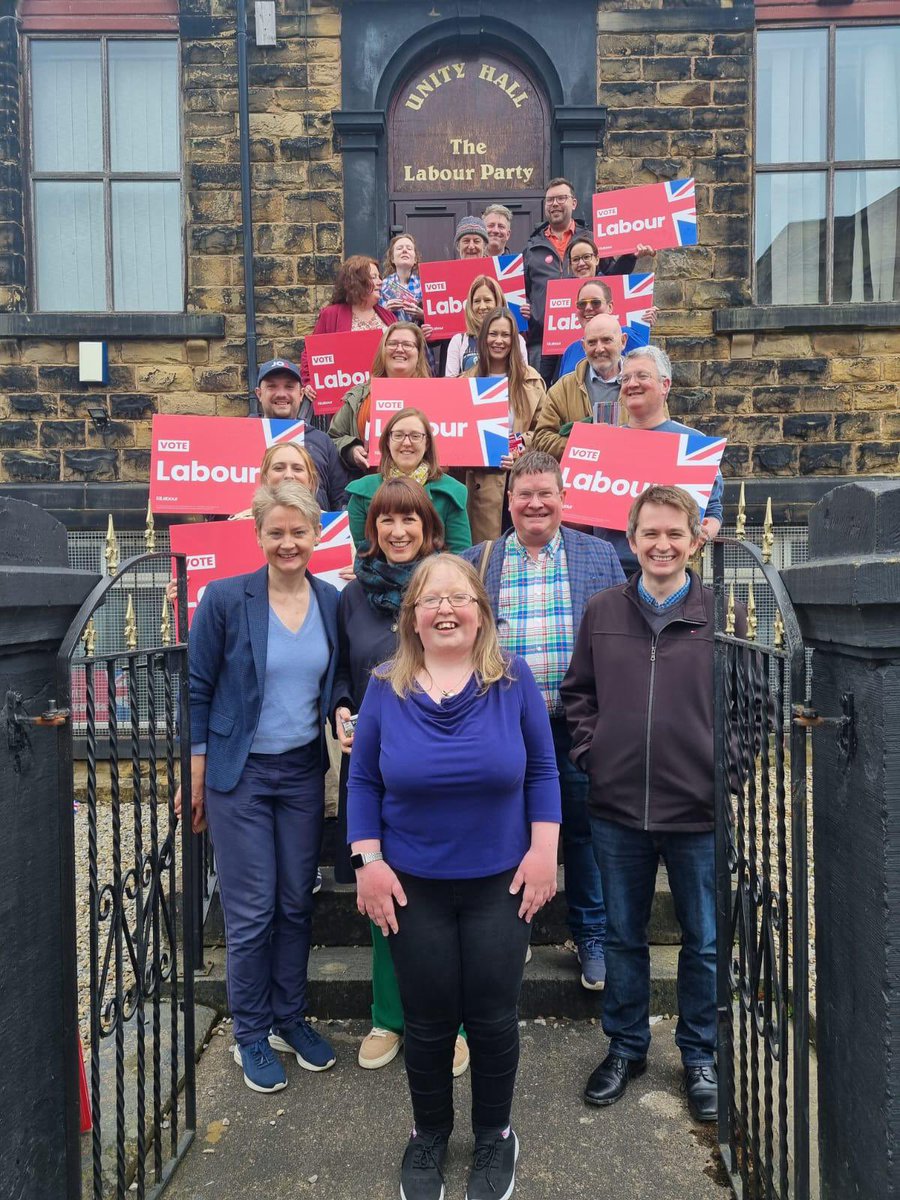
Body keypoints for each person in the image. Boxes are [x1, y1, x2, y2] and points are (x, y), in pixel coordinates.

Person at [347, 554, 561, 1200]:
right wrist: (368, 861)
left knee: (494, 1018)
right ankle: (430, 1133)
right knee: (430, 1018)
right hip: (414, 886)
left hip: (501, 881)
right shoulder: (386, 684)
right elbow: (363, 780)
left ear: (480, 611)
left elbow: (543, 773)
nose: (445, 609)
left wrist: (545, 850)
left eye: (459, 597)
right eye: (430, 599)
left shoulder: (513, 679)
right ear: (411, 617)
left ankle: (495, 1135)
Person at [560, 484, 731, 1123]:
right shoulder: (603, 609)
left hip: (698, 810)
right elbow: (579, 695)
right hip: (618, 808)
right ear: (631, 542)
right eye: (649, 534)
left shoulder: (722, 615)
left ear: (693, 540)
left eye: (674, 534)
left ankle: (700, 1054)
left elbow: (755, 703)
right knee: (626, 937)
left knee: (705, 940)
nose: (662, 545)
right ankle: (627, 1047)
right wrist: (593, 754)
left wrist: (727, 770)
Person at [180, 481, 340, 1093]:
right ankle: (250, 1030)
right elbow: (196, 688)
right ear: (258, 535)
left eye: (298, 531)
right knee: (251, 913)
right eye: (276, 532)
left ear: (315, 533)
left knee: (297, 902)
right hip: (238, 773)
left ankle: (288, 1018)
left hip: (301, 770)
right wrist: (195, 774)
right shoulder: (225, 598)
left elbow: (339, 680)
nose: (288, 542)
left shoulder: (330, 600)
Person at [462, 451, 624, 990]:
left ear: (562, 498)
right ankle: (516, 932)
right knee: (509, 831)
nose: (535, 503)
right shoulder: (479, 560)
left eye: (545, 493)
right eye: (524, 494)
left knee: (583, 832)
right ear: (509, 503)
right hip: (503, 724)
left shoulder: (598, 556)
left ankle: (592, 934)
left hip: (577, 722)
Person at [331, 478, 470, 1078]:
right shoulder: (351, 596)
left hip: (438, 760)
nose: (398, 531)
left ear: (428, 528)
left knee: (449, 897)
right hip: (371, 766)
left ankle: (455, 1022)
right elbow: (339, 670)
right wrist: (338, 708)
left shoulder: (448, 591)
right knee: (382, 889)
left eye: (410, 520)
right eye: (387, 520)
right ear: (373, 529)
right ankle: (388, 1015)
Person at [597, 345, 723, 574]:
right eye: (625, 379)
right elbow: (577, 517)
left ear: (665, 385)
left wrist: (706, 530)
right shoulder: (604, 441)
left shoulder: (693, 443)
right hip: (608, 572)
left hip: (667, 572)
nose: (631, 383)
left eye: (642, 376)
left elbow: (713, 512)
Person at [523, 178, 652, 386]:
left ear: (573, 203)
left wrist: (631, 256)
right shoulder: (531, 247)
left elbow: (612, 278)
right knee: (545, 393)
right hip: (545, 341)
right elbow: (526, 291)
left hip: (591, 337)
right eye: (550, 200)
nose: (554, 204)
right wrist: (529, 313)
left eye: (561, 198)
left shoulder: (593, 237)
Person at [463, 306, 547, 542]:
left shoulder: (531, 380)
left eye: (505, 335)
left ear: (514, 340)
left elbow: (542, 431)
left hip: (519, 481)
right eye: (493, 334)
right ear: (483, 337)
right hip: (479, 486)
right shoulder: (465, 382)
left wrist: (519, 449)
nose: (498, 341)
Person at [345, 406, 472, 554]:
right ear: (387, 441)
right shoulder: (362, 492)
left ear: (427, 443)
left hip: (435, 576)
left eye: (415, 436)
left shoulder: (451, 492)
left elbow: (461, 556)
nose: (406, 443)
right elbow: (364, 554)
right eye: (398, 435)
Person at [327, 324, 431, 478]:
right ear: (383, 350)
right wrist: (351, 450)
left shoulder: (435, 394)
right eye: (393, 344)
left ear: (419, 353)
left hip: (425, 490)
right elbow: (333, 438)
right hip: (372, 488)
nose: (399, 349)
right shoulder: (360, 396)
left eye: (408, 345)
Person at [255, 358, 350, 510]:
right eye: (272, 387)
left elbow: (340, 498)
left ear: (301, 394)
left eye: (289, 387)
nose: (281, 394)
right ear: (259, 394)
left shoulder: (322, 441)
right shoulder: (239, 438)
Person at [532, 314, 629, 460]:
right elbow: (541, 439)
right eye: (592, 343)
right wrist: (584, 444)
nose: (599, 348)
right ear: (583, 346)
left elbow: (661, 435)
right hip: (580, 479)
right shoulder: (563, 388)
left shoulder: (644, 386)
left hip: (627, 478)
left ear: (623, 341)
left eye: (606, 340)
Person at [299, 256, 397, 396]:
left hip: (385, 396)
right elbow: (311, 353)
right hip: (346, 400)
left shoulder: (389, 317)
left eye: (379, 277)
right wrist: (309, 383)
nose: (381, 282)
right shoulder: (331, 314)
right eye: (374, 277)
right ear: (357, 281)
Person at [557, 274, 660, 378]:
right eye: (582, 304)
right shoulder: (570, 351)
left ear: (610, 307)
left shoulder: (627, 336)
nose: (588, 308)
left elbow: (651, 376)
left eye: (595, 302)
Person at [445, 274, 526, 378]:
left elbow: (524, 379)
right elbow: (451, 385)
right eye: (477, 301)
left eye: (487, 300)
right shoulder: (458, 341)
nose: (482, 307)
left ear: (498, 301)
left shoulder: (517, 340)